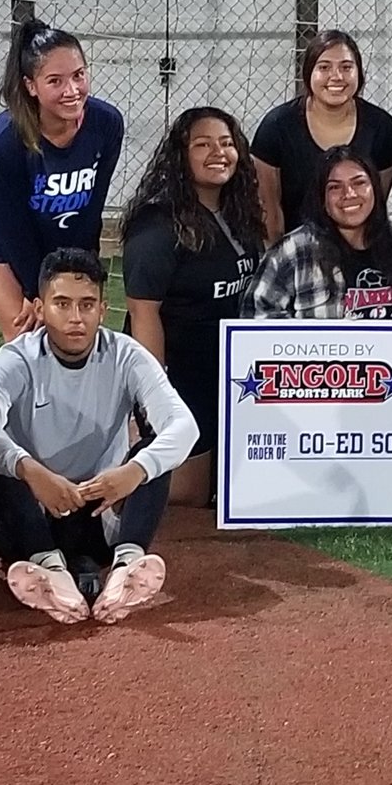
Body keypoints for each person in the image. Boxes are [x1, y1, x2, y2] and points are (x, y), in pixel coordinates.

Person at [0, 249, 198, 625]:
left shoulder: (126, 355)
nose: (75, 318)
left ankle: (125, 568)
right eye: (62, 304)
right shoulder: (15, 359)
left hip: (100, 510)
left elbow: (184, 426)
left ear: (103, 309)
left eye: (86, 305)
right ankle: (49, 568)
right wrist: (32, 471)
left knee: (154, 454)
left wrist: (135, 471)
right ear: (40, 307)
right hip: (33, 512)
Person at [120, 106, 267, 506]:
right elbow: (144, 313)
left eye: (226, 143)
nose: (218, 153)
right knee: (188, 499)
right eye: (202, 145)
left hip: (230, 371)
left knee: (234, 491)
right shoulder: (157, 224)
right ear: (180, 156)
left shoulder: (239, 212)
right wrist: (155, 393)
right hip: (181, 374)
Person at [0, 18, 127, 341]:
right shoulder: (3, 142)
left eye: (79, 75)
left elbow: (92, 207)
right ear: (31, 85)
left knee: (78, 334)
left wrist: (86, 270)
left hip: (63, 230)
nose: (72, 90)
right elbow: (14, 228)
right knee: (29, 336)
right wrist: (34, 290)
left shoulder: (107, 124)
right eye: (55, 81)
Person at [244, 146, 392, 320]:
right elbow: (256, 315)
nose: (349, 194)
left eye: (359, 183)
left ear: (375, 189)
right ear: (322, 198)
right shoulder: (293, 251)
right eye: (335, 187)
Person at [249, 29, 392, 240]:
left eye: (346, 67)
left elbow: (374, 206)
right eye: (324, 67)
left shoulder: (382, 128)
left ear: (359, 72)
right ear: (308, 73)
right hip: (295, 251)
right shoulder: (277, 127)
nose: (336, 76)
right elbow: (269, 210)